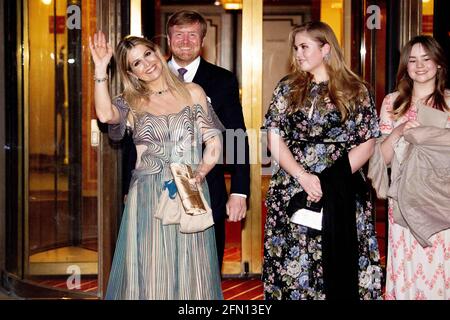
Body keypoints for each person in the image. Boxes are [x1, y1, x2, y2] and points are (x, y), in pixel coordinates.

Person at [89, 31, 223, 299]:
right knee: (151, 268)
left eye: (147, 54)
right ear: (132, 73)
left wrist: (198, 175)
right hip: (147, 193)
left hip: (189, 186)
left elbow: (214, 141)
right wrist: (101, 69)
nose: (146, 64)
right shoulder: (131, 102)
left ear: (158, 52)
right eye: (136, 63)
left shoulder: (193, 92)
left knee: (192, 266)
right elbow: (104, 115)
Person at [262, 21, 383, 300]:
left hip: (340, 186)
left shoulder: (355, 89)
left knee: (338, 261)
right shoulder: (287, 88)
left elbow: (367, 143)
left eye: (305, 47)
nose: (298, 54)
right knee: (294, 263)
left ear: (325, 48)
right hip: (293, 184)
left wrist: (327, 182)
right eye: (296, 48)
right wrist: (303, 176)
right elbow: (274, 136)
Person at [166, 10, 251, 270]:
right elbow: (131, 141)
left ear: (202, 40)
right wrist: (127, 188)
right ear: (168, 40)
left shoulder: (222, 80)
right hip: (157, 185)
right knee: (162, 263)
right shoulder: (149, 76)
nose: (185, 41)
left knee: (206, 264)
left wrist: (239, 191)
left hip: (206, 184)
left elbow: (237, 134)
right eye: (179, 34)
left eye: (192, 35)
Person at [368, 35, 450, 300]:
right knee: (408, 267)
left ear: (439, 63)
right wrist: (399, 131)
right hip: (403, 199)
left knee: (442, 266)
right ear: (406, 66)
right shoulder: (393, 103)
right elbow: (382, 158)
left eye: (427, 59)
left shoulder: (449, 101)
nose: (420, 65)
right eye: (413, 60)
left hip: (442, 199)